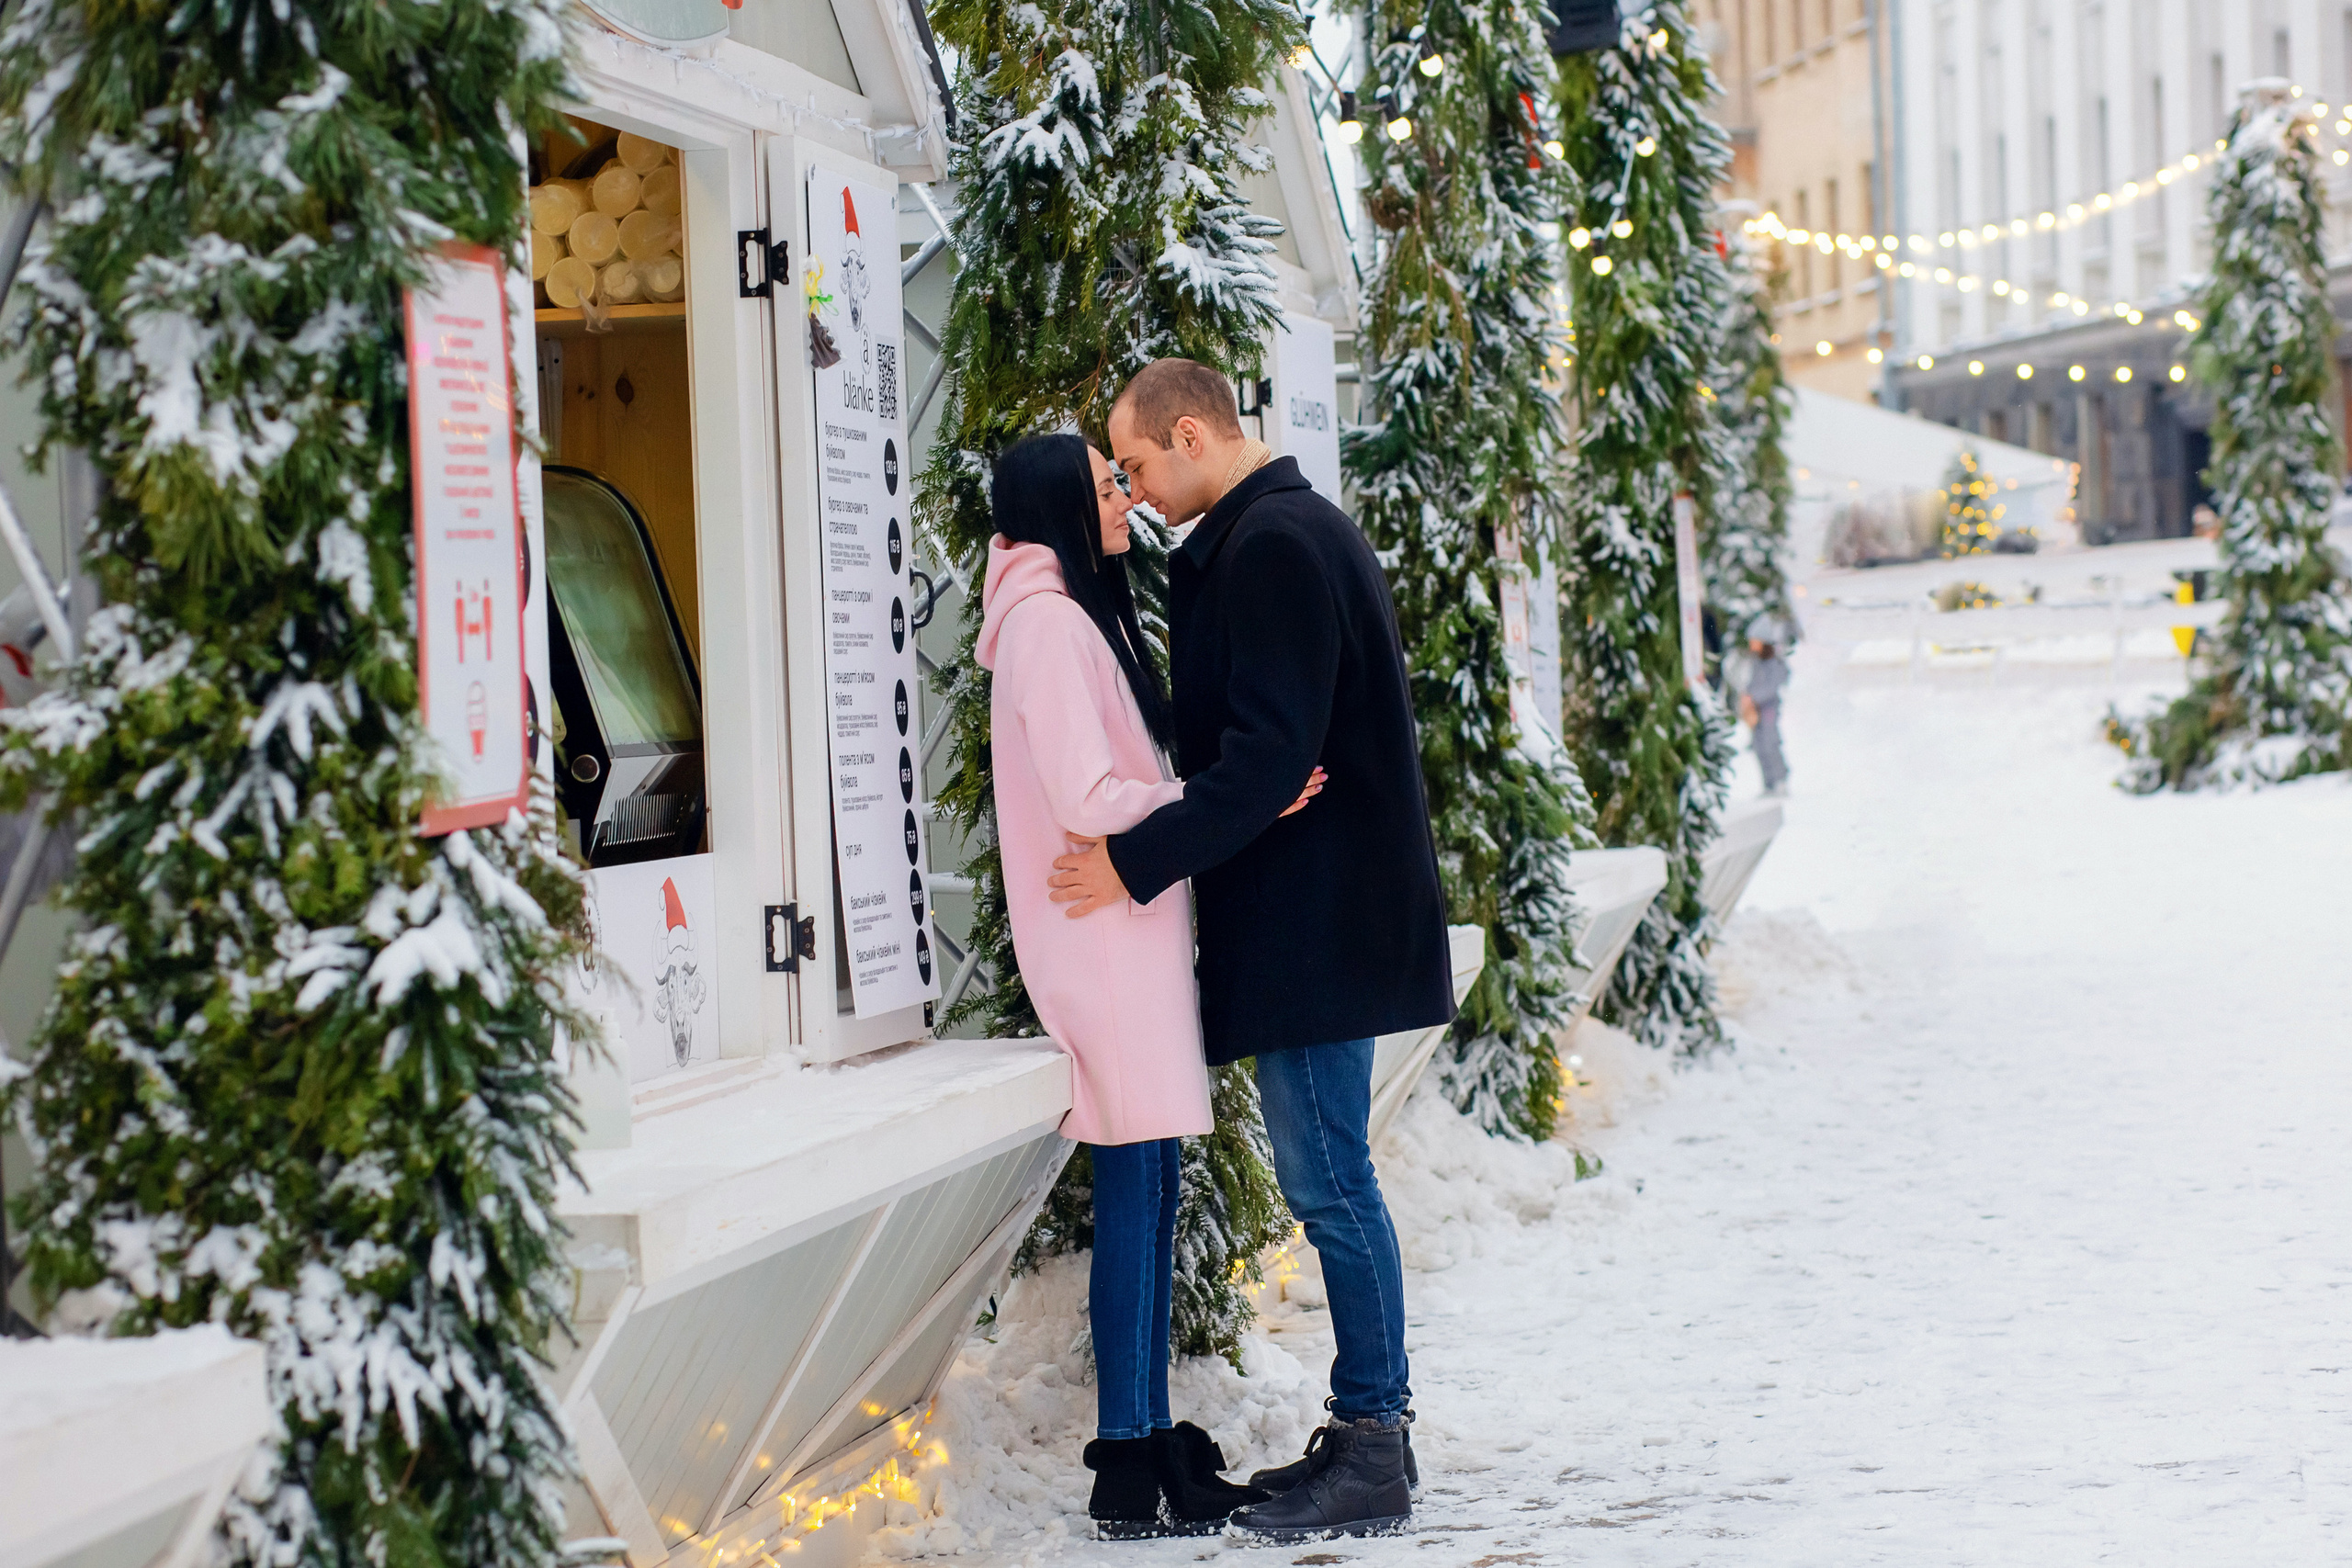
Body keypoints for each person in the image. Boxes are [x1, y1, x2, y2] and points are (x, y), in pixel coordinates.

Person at [1048, 358, 1457, 1540]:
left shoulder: (1274, 544)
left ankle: (1374, 1445)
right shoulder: (1268, 533)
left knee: (1330, 1183)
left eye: (1135, 467)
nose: (1132, 491)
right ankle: (1368, 1435)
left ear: (1190, 434)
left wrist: (1130, 862)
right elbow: (1238, 746)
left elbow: (1267, 758)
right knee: (1328, 1181)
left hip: (1319, 923)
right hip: (1316, 920)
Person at [976, 432, 1319, 1540]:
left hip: (1120, 928)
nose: (1123, 500)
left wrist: (1200, 797)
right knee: (1136, 1189)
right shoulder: (1045, 625)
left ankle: (1143, 1435)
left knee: (1154, 1184)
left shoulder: (1068, 615)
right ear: (1057, 507)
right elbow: (1085, 789)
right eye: (1104, 485)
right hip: (1100, 934)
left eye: (1120, 480)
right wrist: (1231, 798)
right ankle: (1127, 1456)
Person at [1738, 615, 1792, 796]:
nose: (1751, 644)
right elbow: (1752, 682)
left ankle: (1780, 779)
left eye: (1755, 641)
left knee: (1770, 743)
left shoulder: (1774, 662)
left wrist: (1752, 696)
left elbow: (1771, 686)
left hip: (1769, 709)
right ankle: (1768, 783)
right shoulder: (1756, 661)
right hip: (1756, 710)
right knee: (1759, 745)